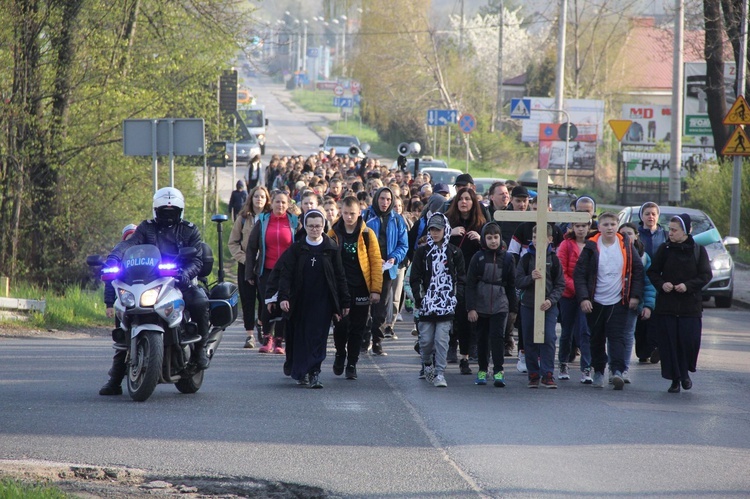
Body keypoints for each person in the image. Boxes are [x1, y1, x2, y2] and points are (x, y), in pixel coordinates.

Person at [106, 187, 211, 369]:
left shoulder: (189, 230)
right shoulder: (146, 227)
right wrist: (114, 258)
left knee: (200, 301)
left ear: (180, 211)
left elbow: (197, 260)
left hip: (180, 281)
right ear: (156, 210)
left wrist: (184, 275)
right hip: (149, 280)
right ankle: (116, 373)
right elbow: (130, 243)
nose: (168, 215)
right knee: (123, 305)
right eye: (164, 211)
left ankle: (200, 349)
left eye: (172, 211)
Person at [277, 210, 350, 388]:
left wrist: (344, 301)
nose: (314, 229)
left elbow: (340, 276)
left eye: (318, 226)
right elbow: (286, 274)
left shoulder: (331, 248)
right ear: (305, 226)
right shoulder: (297, 248)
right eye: (311, 226)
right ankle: (301, 371)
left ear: (323, 226)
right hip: (300, 300)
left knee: (318, 337)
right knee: (301, 337)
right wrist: (284, 297)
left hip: (323, 301)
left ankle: (315, 372)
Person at [573, 212, 644, 390]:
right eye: (605, 224)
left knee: (617, 337)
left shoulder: (626, 244)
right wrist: (583, 298)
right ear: (599, 227)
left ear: (617, 226)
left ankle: (617, 371)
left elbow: (637, 270)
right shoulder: (591, 246)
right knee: (596, 338)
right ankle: (598, 371)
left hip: (618, 301)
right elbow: (579, 274)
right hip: (595, 301)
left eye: (613, 224)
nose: (610, 228)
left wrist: (635, 295)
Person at [647, 214, 712, 393]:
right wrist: (662, 284)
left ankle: (685, 373)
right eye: (670, 230)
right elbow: (652, 272)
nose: (671, 233)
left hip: (690, 306)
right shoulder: (665, 249)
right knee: (669, 344)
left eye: (675, 230)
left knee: (688, 341)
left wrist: (687, 286)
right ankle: (675, 379)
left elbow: (706, 275)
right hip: (667, 305)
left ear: (686, 231)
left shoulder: (698, 250)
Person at [328, 196, 383, 380]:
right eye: (345, 213)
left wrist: (375, 290)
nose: (349, 217)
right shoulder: (333, 233)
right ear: (340, 212)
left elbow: (375, 262)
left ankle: (352, 362)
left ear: (359, 213)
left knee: (358, 327)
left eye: (352, 213)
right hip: (340, 289)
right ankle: (340, 353)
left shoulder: (367, 234)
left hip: (360, 287)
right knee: (341, 325)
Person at [410, 213, 466, 388]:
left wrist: (455, 298)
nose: (435, 233)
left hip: (446, 305)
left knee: (442, 340)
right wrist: (419, 299)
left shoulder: (455, 252)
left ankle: (440, 373)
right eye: (432, 229)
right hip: (427, 305)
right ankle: (427, 363)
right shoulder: (422, 252)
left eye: (438, 229)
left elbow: (461, 278)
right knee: (426, 341)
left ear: (445, 230)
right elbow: (415, 277)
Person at [245, 190, 299, 354]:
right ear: (272, 203)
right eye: (277, 202)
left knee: (285, 305)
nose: (280, 205)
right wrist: (249, 273)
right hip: (266, 270)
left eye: (283, 202)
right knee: (267, 303)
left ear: (288, 204)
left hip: (288, 272)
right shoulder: (263, 220)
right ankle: (267, 337)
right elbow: (252, 248)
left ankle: (279, 341)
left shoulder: (294, 222)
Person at [465, 222, 517, 387]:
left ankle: (498, 371)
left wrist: (513, 309)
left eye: (496, 237)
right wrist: (471, 308)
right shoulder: (478, 257)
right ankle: (482, 369)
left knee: (498, 338)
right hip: (481, 303)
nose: (493, 241)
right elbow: (470, 284)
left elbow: (511, 285)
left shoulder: (508, 258)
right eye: (489, 238)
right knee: (482, 339)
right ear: (484, 239)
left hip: (500, 304)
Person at [516, 224, 566, 389]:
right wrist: (530, 277)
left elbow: (560, 284)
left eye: (542, 237)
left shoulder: (554, 258)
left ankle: (548, 373)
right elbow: (518, 281)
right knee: (529, 338)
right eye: (535, 237)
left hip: (548, 306)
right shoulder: (525, 259)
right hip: (528, 305)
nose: (537, 241)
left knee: (549, 338)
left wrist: (550, 300)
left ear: (550, 240)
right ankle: (533, 373)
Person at [362, 187, 408, 356]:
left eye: (388, 199)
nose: (385, 202)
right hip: (368, 268)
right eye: (382, 198)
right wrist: (373, 259)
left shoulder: (397, 220)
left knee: (381, 308)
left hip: (387, 270)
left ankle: (377, 341)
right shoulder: (366, 216)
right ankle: (364, 339)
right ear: (376, 198)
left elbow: (403, 244)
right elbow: (359, 241)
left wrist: (393, 258)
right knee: (366, 307)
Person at [445, 187, 486, 374]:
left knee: (467, 316)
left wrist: (480, 239)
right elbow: (431, 241)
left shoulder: (481, 223)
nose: (464, 202)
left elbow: (493, 246)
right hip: (449, 276)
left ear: (473, 202)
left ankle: (465, 357)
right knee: (450, 315)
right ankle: (451, 346)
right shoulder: (447, 220)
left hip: (471, 277)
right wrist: (449, 233)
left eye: (468, 199)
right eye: (460, 198)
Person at [228, 185, 270, 348]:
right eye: (256, 196)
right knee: (247, 299)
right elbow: (233, 242)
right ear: (250, 199)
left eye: (262, 197)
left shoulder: (269, 218)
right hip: (246, 265)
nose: (259, 199)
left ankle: (260, 322)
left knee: (264, 298)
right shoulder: (243, 218)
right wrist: (245, 259)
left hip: (265, 265)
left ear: (267, 200)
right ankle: (249, 334)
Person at [98, 223, 138, 395]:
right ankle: (115, 381)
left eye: (134, 236)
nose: (131, 240)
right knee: (122, 342)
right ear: (124, 239)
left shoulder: (149, 256)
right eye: (128, 237)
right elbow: (109, 282)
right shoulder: (120, 255)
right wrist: (109, 304)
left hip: (149, 299)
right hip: (126, 303)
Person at [617, 222, 656, 384]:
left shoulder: (644, 258)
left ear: (636, 236)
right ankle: (614, 368)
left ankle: (623, 370)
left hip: (633, 303)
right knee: (613, 337)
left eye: (629, 234)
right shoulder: (611, 252)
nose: (626, 237)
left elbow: (648, 284)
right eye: (623, 234)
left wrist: (647, 305)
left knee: (627, 336)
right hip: (612, 301)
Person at [556, 217, 594, 384]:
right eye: (577, 226)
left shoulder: (593, 245)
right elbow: (561, 271)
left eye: (583, 226)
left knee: (585, 331)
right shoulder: (566, 244)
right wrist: (579, 290)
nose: (580, 229)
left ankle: (586, 368)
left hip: (587, 297)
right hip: (569, 295)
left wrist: (586, 293)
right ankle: (563, 364)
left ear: (588, 227)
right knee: (567, 332)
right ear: (572, 227)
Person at [636, 201, 668, 364]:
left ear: (658, 216)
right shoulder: (637, 234)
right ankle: (643, 351)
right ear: (641, 216)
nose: (650, 216)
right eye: (647, 213)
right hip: (642, 279)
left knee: (657, 316)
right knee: (643, 316)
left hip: (661, 280)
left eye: (653, 213)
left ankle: (655, 347)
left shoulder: (665, 234)